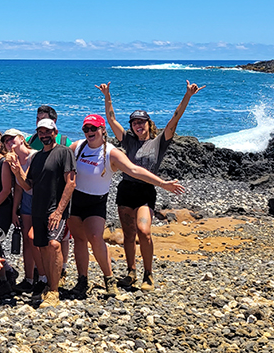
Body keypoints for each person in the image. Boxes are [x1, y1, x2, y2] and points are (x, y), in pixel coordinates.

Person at [98, 80, 204, 291]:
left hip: (146, 192)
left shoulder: (159, 142)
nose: (138, 126)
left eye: (142, 122)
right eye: (135, 123)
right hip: (126, 190)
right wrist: (107, 95)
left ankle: (149, 274)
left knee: (144, 231)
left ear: (149, 124)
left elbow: (175, 118)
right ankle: (131, 272)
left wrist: (188, 97)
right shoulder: (127, 141)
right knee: (128, 234)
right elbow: (111, 119)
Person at [68, 114, 187, 297]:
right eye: (86, 129)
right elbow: (60, 162)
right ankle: (82, 280)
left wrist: (163, 184)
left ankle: (111, 280)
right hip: (76, 201)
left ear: (102, 130)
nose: (90, 132)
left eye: (94, 128)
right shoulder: (77, 147)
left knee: (95, 238)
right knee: (79, 240)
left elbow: (134, 170)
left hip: (96, 202)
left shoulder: (111, 152)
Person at [22, 119, 76, 308]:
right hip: (38, 210)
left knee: (54, 244)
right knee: (43, 246)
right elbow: (28, 185)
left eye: (48, 131)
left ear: (55, 132)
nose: (44, 135)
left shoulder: (64, 152)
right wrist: (15, 171)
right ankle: (48, 284)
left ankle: (54, 291)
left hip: (56, 210)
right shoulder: (36, 158)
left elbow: (71, 183)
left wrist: (59, 211)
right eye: (41, 132)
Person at [4, 129, 44, 293]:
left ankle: (42, 277)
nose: (9, 142)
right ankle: (28, 279)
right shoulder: (14, 160)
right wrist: (15, 211)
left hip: (39, 200)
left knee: (35, 239)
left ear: (21, 138)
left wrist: (16, 167)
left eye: (11, 139)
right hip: (26, 201)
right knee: (27, 242)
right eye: (5, 141)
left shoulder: (34, 156)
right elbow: (19, 189)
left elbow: (28, 183)